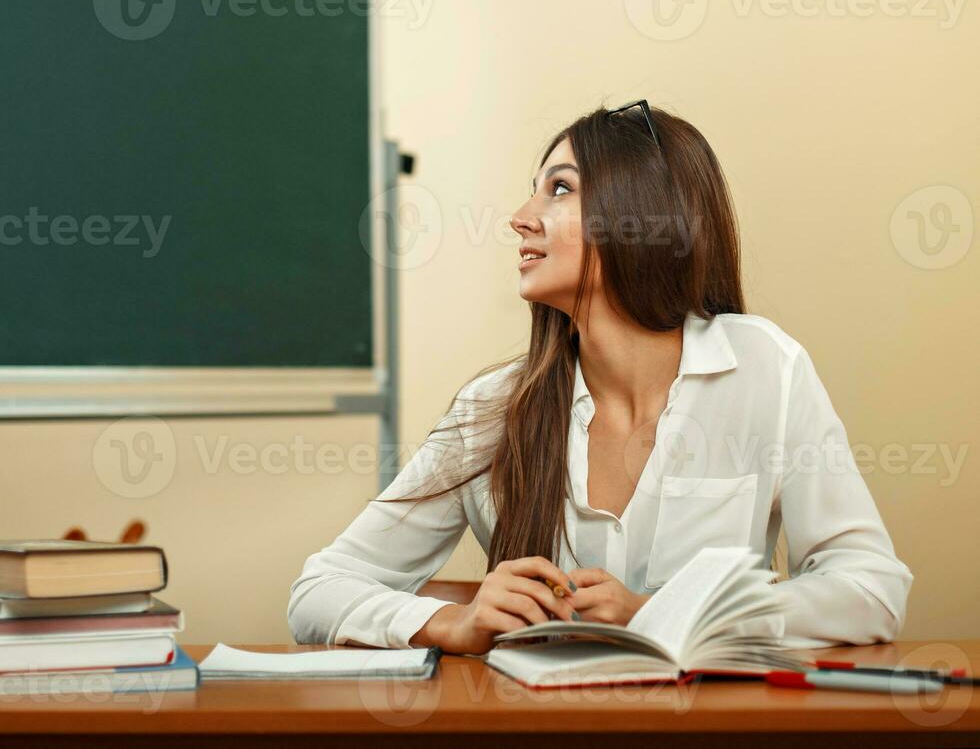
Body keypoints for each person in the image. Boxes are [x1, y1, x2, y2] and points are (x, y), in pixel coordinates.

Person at [288, 102, 913, 655]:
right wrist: (453, 621)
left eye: (559, 189)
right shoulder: (493, 409)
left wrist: (656, 616)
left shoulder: (764, 369)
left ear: (640, 214)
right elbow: (318, 591)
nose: (520, 218)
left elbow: (869, 590)